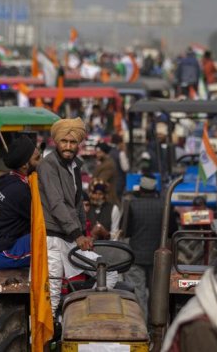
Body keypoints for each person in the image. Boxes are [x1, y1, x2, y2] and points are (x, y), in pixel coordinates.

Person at [38, 118, 116, 316]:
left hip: (71, 238)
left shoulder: (75, 166)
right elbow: (56, 203)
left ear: (78, 145)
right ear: (56, 142)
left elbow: (78, 203)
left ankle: (94, 316)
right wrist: (77, 233)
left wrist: (83, 232)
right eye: (64, 141)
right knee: (52, 297)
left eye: (73, 142)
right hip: (53, 239)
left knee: (108, 271)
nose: (68, 146)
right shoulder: (48, 166)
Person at [0, 136, 41, 269]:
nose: (42, 162)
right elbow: (42, 221)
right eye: (37, 159)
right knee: (52, 243)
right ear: (24, 165)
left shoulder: (9, 180)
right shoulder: (19, 190)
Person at [123, 174, 163, 318]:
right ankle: (156, 324)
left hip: (136, 256)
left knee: (138, 294)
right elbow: (171, 230)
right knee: (157, 293)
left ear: (140, 189)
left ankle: (141, 325)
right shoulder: (163, 205)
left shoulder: (132, 204)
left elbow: (126, 231)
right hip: (158, 258)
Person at [109, 134, 130, 200]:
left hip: (110, 182)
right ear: (120, 143)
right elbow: (126, 168)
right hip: (119, 182)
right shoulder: (121, 153)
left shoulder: (109, 152)